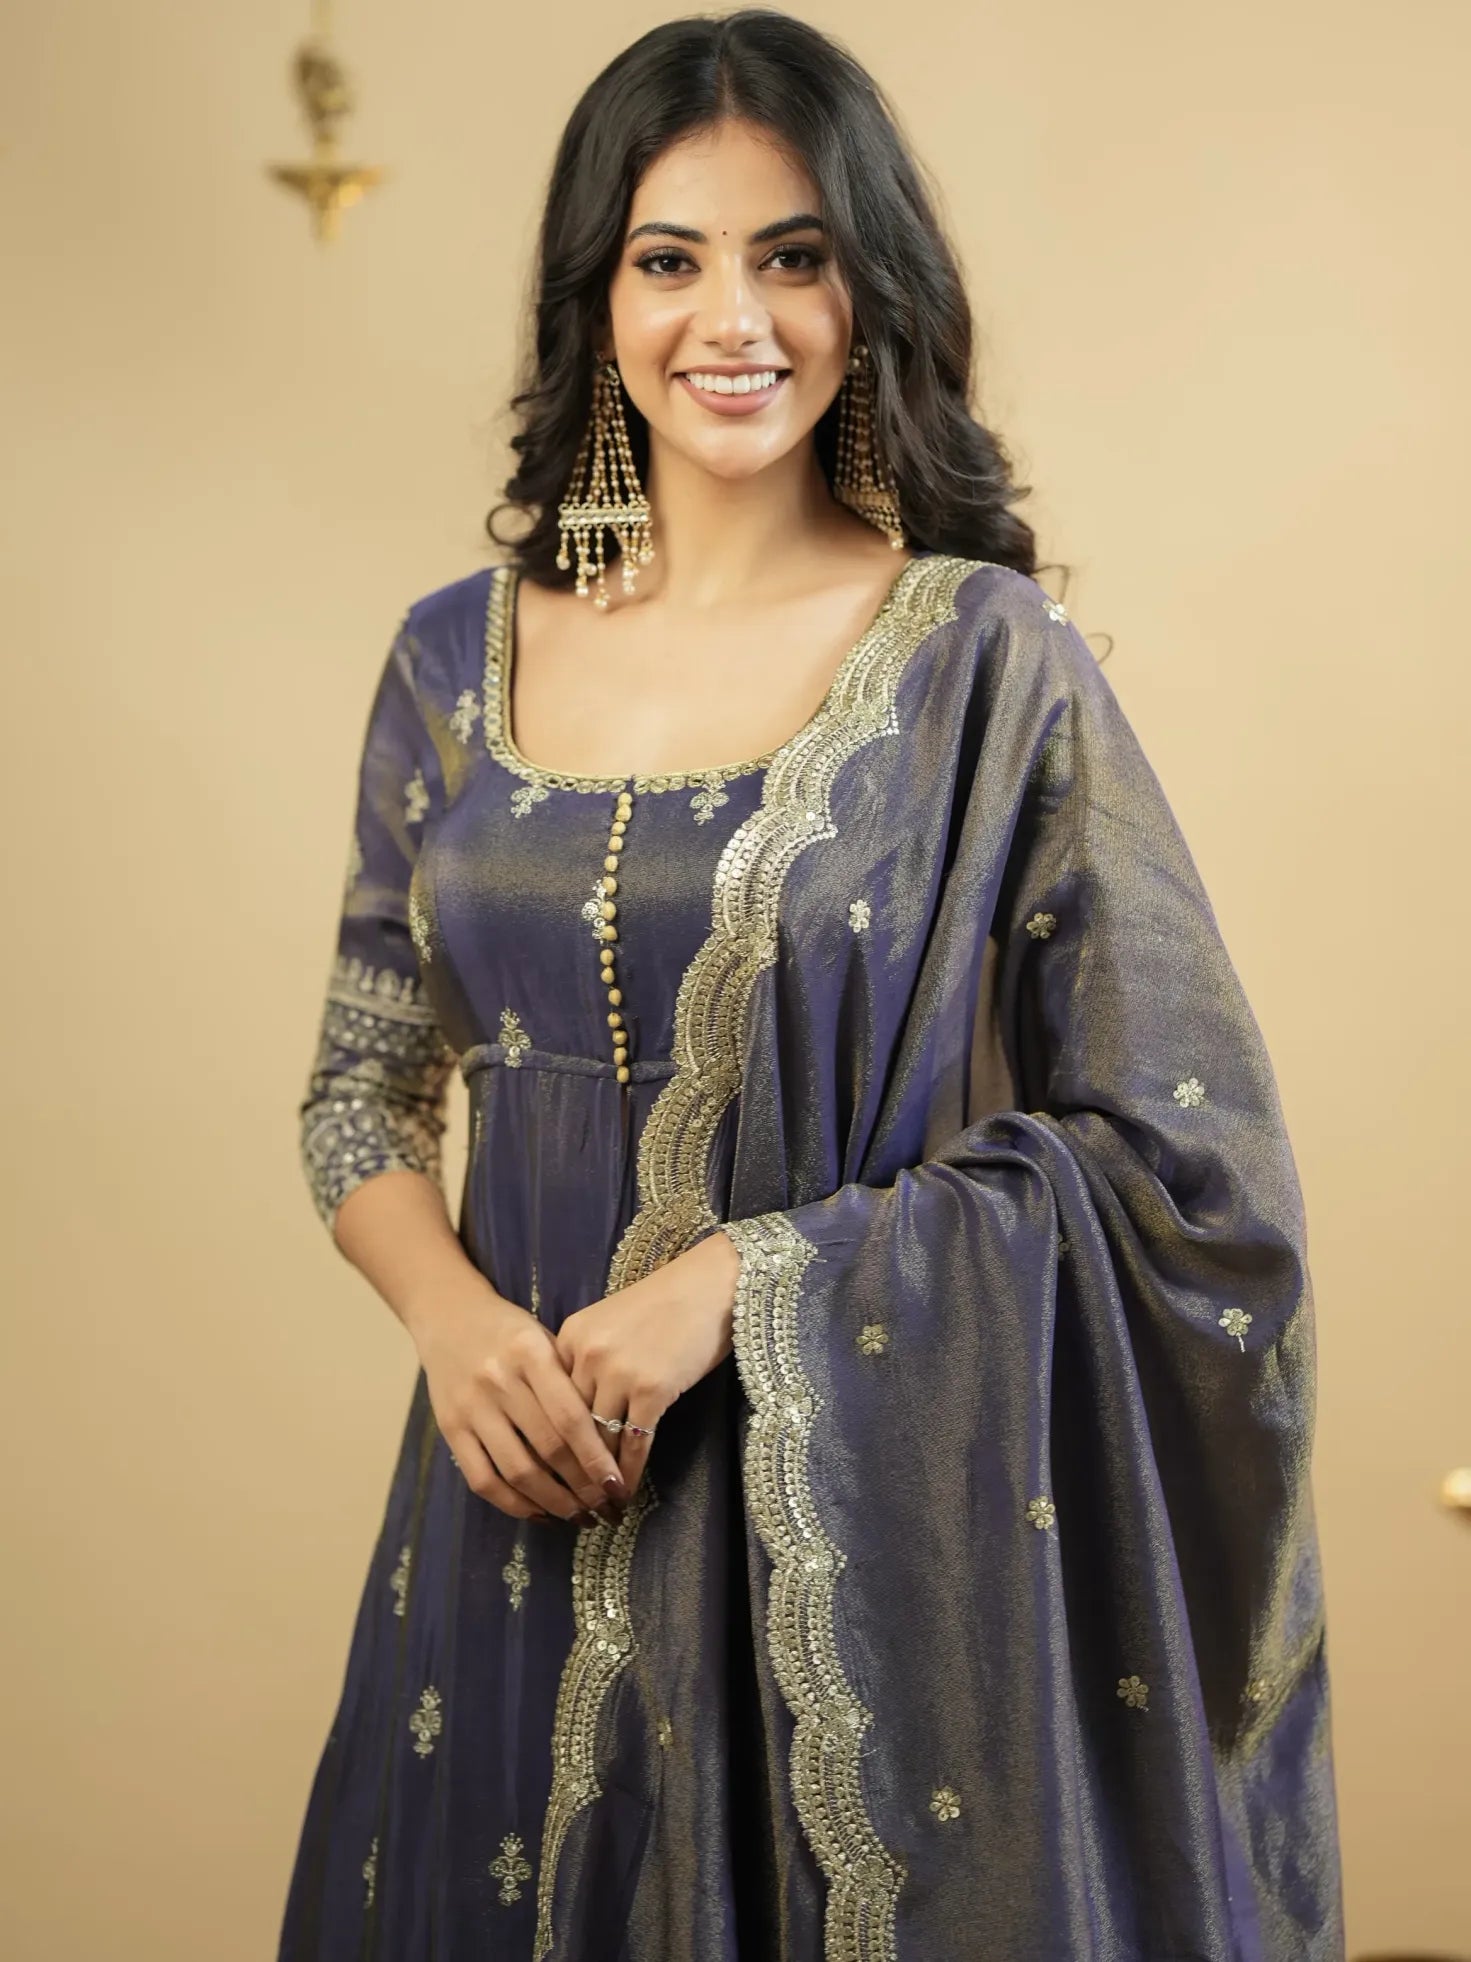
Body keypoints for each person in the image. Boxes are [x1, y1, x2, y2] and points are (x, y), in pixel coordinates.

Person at [278, 11, 1344, 1960]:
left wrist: (742, 1287)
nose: (730, 318)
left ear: (870, 289)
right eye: (667, 259)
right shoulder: (453, 659)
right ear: (595, 295)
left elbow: (1181, 1174)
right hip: (492, 1536)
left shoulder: (983, 664)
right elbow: (359, 1087)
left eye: (791, 255)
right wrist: (450, 1328)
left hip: (830, 1558)